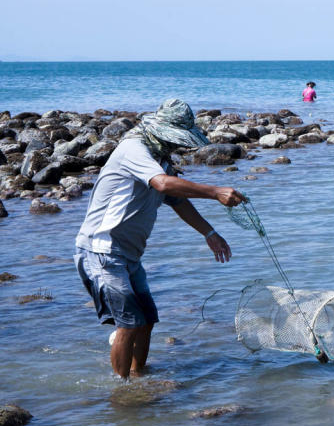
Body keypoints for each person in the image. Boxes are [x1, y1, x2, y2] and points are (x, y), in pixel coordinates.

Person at [74, 99, 246, 379]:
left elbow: (177, 200)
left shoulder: (160, 159)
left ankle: (140, 376)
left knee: (147, 321)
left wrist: (209, 233)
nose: (178, 147)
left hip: (129, 254)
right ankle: (122, 392)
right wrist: (215, 191)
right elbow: (162, 184)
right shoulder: (134, 149)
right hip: (101, 250)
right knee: (129, 324)